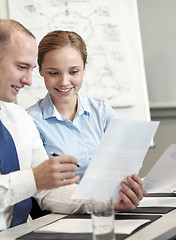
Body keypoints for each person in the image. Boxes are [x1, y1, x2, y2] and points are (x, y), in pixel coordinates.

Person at [0, 20, 144, 240]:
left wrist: (103, 202)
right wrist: (32, 179)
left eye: (32, 69)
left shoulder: (17, 117)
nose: (29, 81)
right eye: (22, 67)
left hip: (25, 232)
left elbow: (48, 193)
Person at [27, 30, 146, 191]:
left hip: (110, 203)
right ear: (40, 70)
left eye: (73, 72)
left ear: (84, 68)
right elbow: (44, 189)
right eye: (54, 73)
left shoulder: (102, 112)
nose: (64, 82)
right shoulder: (30, 121)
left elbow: (125, 164)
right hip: (62, 210)